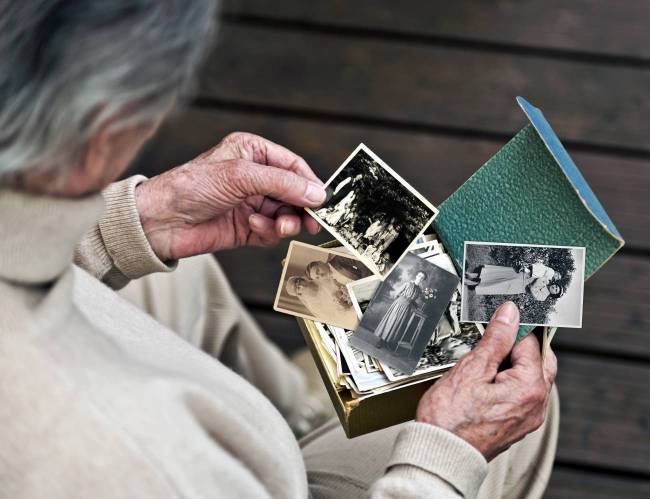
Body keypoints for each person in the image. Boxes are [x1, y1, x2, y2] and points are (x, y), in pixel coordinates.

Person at [0, 3, 558, 498]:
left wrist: (117, 229)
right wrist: (440, 462)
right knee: (520, 414)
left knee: (171, 276)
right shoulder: (134, 459)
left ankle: (301, 410)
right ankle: (308, 423)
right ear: (108, 128)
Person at [375, 271, 427, 347]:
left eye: (422, 278)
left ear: (423, 280)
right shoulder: (408, 284)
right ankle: (381, 341)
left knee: (398, 324)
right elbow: (397, 293)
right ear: (416, 276)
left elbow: (412, 300)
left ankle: (388, 341)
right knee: (391, 321)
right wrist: (400, 301)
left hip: (407, 308)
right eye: (419, 276)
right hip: (399, 304)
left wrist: (417, 306)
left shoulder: (419, 290)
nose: (420, 278)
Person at [466, 263, 563, 301]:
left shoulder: (543, 296)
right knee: (497, 273)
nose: (554, 288)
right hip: (521, 275)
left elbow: (533, 289)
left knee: (496, 285)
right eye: (556, 287)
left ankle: (471, 283)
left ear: (554, 294)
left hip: (518, 285)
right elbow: (538, 270)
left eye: (555, 290)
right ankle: (472, 275)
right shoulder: (547, 279)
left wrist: (539, 281)